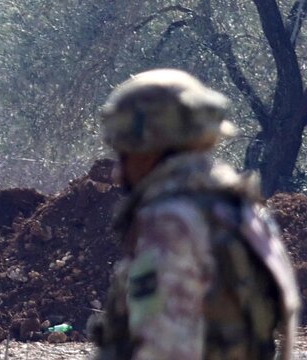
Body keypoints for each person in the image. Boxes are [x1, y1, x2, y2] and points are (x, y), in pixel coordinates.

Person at [88, 69, 299, 359]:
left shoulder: (172, 224)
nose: (117, 173)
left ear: (150, 149)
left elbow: (162, 349)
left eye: (124, 153)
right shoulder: (242, 210)